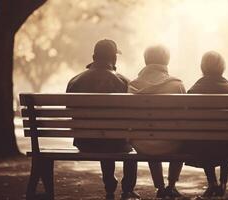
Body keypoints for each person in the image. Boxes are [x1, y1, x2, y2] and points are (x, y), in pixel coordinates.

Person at [66, 39, 140, 200]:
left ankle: (109, 185)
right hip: (117, 143)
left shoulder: (74, 82)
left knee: (102, 137)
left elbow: (70, 112)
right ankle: (127, 188)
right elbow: (134, 116)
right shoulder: (125, 83)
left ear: (93, 57)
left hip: (85, 142)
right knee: (126, 139)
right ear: (114, 59)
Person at [183, 51, 228, 198]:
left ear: (202, 67)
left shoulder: (193, 90)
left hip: (202, 147)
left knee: (203, 138)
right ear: (222, 67)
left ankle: (212, 182)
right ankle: (223, 181)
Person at [128, 45, 186, 198]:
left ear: (146, 60)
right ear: (167, 61)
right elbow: (186, 118)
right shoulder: (177, 85)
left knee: (149, 136)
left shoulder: (132, 85)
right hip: (172, 144)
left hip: (141, 144)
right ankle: (171, 185)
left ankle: (160, 186)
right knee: (181, 135)